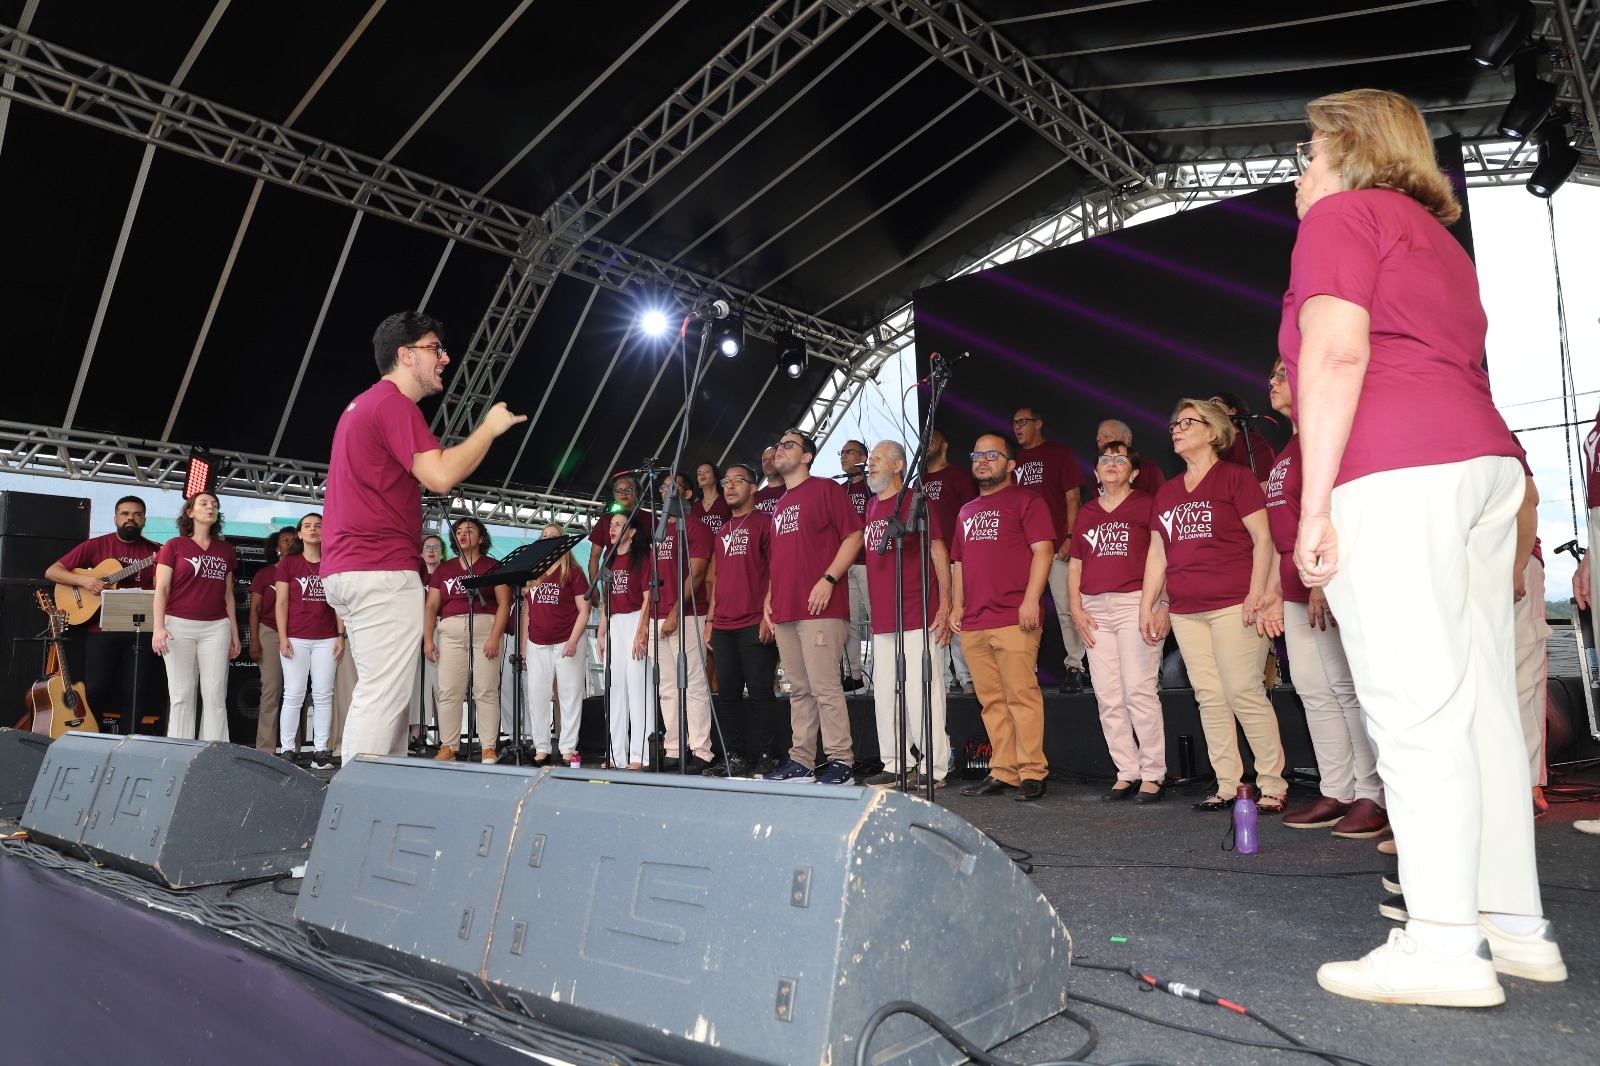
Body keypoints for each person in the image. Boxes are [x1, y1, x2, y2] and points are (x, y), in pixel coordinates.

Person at [1286, 89, 1564, 1004]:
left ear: (1349, 152)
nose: (1301, 170)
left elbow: (1336, 354)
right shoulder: (1438, 241)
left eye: (1309, 151)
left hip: (1396, 467)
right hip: (1483, 465)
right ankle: (1511, 925)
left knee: (1415, 709)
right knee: (1480, 710)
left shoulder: (1340, 217)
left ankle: (1443, 945)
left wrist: (1314, 508)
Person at [321, 311, 524, 762]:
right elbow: (440, 475)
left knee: (386, 699)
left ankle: (377, 793)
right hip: (379, 569)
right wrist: (488, 429)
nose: (445, 358)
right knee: (383, 696)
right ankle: (356, 798)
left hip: (351, 569)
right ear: (406, 355)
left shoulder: (362, 406)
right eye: (436, 349)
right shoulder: (393, 404)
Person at [1141, 400, 1286, 814]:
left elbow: (1263, 539)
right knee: (1209, 696)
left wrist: (1257, 594)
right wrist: (1149, 603)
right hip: (1187, 610)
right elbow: (1158, 553)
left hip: (1234, 604)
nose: (1176, 428)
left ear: (1213, 431)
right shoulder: (1168, 491)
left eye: (1188, 422)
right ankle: (1228, 785)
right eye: (1174, 423)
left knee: (1243, 691)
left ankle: (1272, 785)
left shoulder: (1236, 478)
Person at [1264, 360, 1385, 838]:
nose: (1272, 382)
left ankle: (1373, 794)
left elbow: (1334, 509)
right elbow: (1283, 527)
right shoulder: (1285, 449)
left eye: (1281, 373)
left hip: (1326, 580)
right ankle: (1337, 790)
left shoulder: (1325, 435)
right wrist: (1277, 588)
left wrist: (1321, 582)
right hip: (1295, 585)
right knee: (1314, 692)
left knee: (1346, 689)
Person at [953, 434, 1055, 801]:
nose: (982, 460)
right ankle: (1003, 770)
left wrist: (1031, 600)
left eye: (992, 455)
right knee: (992, 702)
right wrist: (956, 606)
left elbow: (1044, 551)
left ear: (1011, 464)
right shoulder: (965, 511)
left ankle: (1032, 771)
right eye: (977, 454)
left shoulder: (1027, 501)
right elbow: (959, 562)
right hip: (975, 622)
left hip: (1015, 617)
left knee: (1021, 697)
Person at [761, 429, 863, 785]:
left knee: (824, 688)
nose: (780, 449)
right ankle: (801, 761)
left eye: (788, 445)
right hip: (785, 609)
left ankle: (841, 761)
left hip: (822, 608)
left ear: (806, 456)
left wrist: (829, 578)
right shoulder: (779, 504)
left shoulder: (826, 489)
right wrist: (769, 597)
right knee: (799, 690)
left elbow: (855, 535)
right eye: (779, 445)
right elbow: (779, 559)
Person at [1068, 442, 1166, 803]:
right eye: (1105, 459)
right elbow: (1075, 564)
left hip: (1136, 603)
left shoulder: (1148, 504)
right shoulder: (1087, 512)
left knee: (1139, 690)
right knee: (1108, 696)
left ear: (1134, 472)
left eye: (1120, 459)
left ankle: (1153, 773)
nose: (1111, 463)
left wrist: (1162, 603)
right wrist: (1076, 608)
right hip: (1094, 608)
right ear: (1095, 472)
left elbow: (1163, 556)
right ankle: (1127, 771)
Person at [860, 440, 951, 789]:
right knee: (885, 695)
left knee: (921, 693)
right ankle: (896, 762)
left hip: (917, 612)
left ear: (898, 466)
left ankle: (934, 766)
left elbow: (938, 553)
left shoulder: (916, 501)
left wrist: (945, 603)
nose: (870, 464)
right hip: (884, 618)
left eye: (877, 459)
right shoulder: (871, 506)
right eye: (870, 459)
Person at [45, 495, 166, 736]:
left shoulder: (157, 551)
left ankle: (129, 742)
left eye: (137, 514)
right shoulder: (97, 545)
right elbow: (52, 571)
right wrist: (86, 581)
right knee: (95, 690)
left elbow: (162, 589)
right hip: (100, 631)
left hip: (140, 631)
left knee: (136, 692)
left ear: (144, 520)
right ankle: (90, 740)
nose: (130, 518)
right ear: (115, 518)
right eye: (125, 513)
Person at [704, 462, 780, 778]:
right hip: (723, 624)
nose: (730, 486)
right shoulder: (723, 530)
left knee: (760, 692)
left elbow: (776, 570)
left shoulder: (765, 522)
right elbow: (718, 578)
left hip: (754, 621)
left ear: (752, 488)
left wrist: (767, 613)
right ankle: (733, 756)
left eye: (738, 480)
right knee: (728, 694)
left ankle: (769, 755)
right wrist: (710, 620)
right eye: (726, 481)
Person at [1011, 406, 1088, 693]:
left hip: (1056, 546)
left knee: (1067, 609)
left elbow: (1073, 498)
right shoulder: (1012, 460)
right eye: (1014, 423)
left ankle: (1075, 667)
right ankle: (1025, 669)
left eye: (1023, 421)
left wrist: (1070, 536)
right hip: (1022, 551)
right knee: (1024, 609)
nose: (1017, 427)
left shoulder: (1058, 453)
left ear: (1038, 423)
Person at [152, 492, 239, 741]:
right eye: (204, 503)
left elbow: (228, 595)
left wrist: (234, 633)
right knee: (181, 694)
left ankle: (214, 752)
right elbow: (162, 589)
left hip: (217, 627)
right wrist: (158, 627)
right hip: (178, 625)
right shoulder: (174, 546)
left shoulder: (225, 550)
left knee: (215, 694)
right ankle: (179, 752)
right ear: (189, 512)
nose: (210, 507)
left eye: (214, 505)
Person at [424, 518, 510, 763]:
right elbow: (431, 606)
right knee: (449, 690)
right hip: (450, 632)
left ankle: (488, 747)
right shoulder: (445, 569)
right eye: (458, 531)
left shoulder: (493, 566)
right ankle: (448, 746)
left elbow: (505, 602)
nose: (462, 534)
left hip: (485, 629)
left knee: (486, 690)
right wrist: (428, 639)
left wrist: (495, 636)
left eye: (469, 531)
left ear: (481, 538)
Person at [653, 483, 716, 774]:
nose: (666, 491)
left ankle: (702, 750)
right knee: (667, 688)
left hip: (687, 615)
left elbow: (698, 573)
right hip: (657, 616)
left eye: (673, 486)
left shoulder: (695, 527)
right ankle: (674, 749)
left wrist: (675, 612)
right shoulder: (659, 530)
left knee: (694, 684)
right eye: (663, 487)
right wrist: (646, 622)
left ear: (687, 494)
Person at [275, 513, 343, 769]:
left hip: (327, 638)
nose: (313, 529)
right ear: (299, 534)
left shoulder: (333, 562)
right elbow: (281, 603)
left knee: (323, 695)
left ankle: (321, 751)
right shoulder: (288, 563)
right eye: (307, 526)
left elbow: (339, 603)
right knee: (293, 693)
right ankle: (287, 750)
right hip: (295, 637)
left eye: (318, 526)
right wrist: (283, 637)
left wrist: (340, 635)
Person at [522, 524, 591, 767]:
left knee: (569, 695)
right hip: (537, 643)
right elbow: (526, 613)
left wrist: (573, 641)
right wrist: (523, 648)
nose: (548, 538)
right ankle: (541, 747)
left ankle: (568, 748)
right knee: (537, 696)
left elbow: (585, 610)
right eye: (545, 536)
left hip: (566, 642)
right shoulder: (533, 573)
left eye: (554, 536)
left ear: (563, 542)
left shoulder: (573, 572)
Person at [921, 428, 977, 694]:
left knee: (958, 614)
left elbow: (972, 514)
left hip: (955, 557)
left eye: (931, 440)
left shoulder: (959, 476)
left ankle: (966, 676)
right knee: (935, 616)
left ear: (944, 446)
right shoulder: (918, 481)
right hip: (926, 561)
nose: (926, 444)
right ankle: (941, 677)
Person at [1510, 439, 1549, 815]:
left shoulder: (1484, 421)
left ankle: (1528, 787)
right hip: (1469, 564)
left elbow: (1528, 497)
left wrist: (1518, 564)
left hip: (1513, 560)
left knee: (1521, 679)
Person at [596, 512, 652, 769]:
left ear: (631, 532)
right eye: (611, 525)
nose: (613, 528)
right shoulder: (608, 560)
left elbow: (648, 597)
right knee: (615, 689)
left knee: (638, 688)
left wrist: (642, 629)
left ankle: (640, 755)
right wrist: (601, 632)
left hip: (635, 619)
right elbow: (606, 601)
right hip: (615, 623)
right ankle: (616, 755)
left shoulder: (641, 557)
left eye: (619, 525)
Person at [249, 527, 299, 752]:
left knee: (296, 692)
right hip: (269, 632)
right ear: (276, 547)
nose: (289, 543)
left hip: (297, 633)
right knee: (271, 691)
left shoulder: (303, 571)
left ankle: (292, 749)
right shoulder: (265, 574)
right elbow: (255, 609)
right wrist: (254, 640)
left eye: (293, 540)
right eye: (285, 540)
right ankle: (265, 750)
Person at [839, 439, 871, 692]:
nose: (843, 456)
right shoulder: (839, 490)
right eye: (841, 453)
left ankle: (884, 671)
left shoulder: (873, 486)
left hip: (870, 562)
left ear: (863, 458)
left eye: (849, 452)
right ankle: (853, 675)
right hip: (844, 563)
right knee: (848, 622)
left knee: (877, 617)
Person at [410, 533, 446, 753]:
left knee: (443, 684)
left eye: (436, 547)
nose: (431, 551)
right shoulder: (415, 576)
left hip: (442, 628)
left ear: (442, 552)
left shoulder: (446, 574)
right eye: (427, 547)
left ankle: (448, 737)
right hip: (416, 629)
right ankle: (417, 735)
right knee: (417, 685)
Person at [1209, 392, 1276, 485]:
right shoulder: (1211, 450)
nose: (1209, 409)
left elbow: (1266, 483)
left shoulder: (1251, 440)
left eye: (1214, 402)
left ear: (1233, 410)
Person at [587, 474, 640, 585]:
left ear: (636, 492)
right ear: (614, 495)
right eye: (619, 490)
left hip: (640, 574)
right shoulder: (605, 519)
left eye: (628, 489)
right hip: (611, 576)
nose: (623, 493)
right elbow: (595, 556)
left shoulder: (648, 518)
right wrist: (594, 585)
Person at [1096, 419, 1165, 494]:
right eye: (1098, 440)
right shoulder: (1101, 470)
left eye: (1107, 436)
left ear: (1126, 437)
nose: (1101, 443)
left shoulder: (1149, 471)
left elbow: (1162, 499)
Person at [692, 461, 731, 534]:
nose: (702, 474)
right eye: (699, 474)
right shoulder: (693, 508)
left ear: (715, 477)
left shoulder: (728, 500)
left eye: (707, 471)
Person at [753, 446, 786, 513]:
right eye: (764, 459)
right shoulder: (754, 498)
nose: (767, 462)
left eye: (773, 458)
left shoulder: (793, 490)